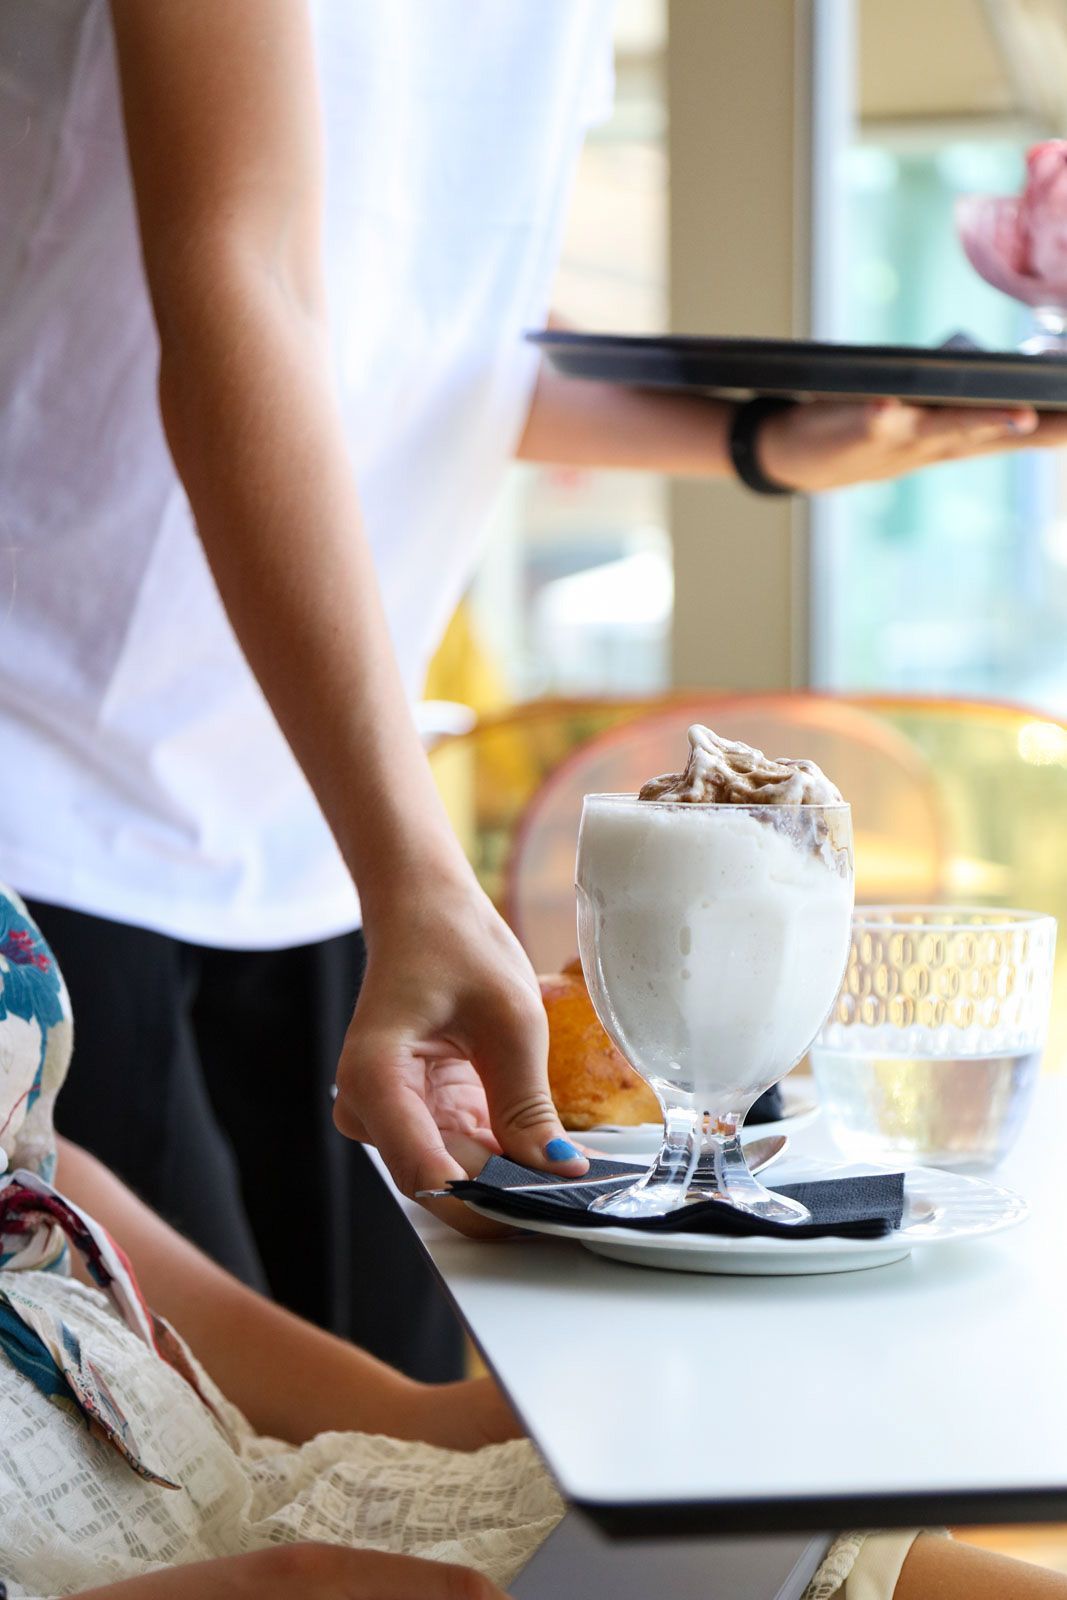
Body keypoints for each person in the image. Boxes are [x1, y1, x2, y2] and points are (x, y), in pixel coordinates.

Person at [4, 0, 1067, 1385]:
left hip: (298, 816)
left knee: (392, 1415)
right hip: (50, 776)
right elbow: (237, 278)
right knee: (209, 1459)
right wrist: (416, 865)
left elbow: (426, 329)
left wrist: (759, 440)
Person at [0, 886, 1064, 1600]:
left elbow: (33, 1162)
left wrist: (424, 1414)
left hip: (241, 1481)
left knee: (785, 1535)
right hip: (82, 1565)